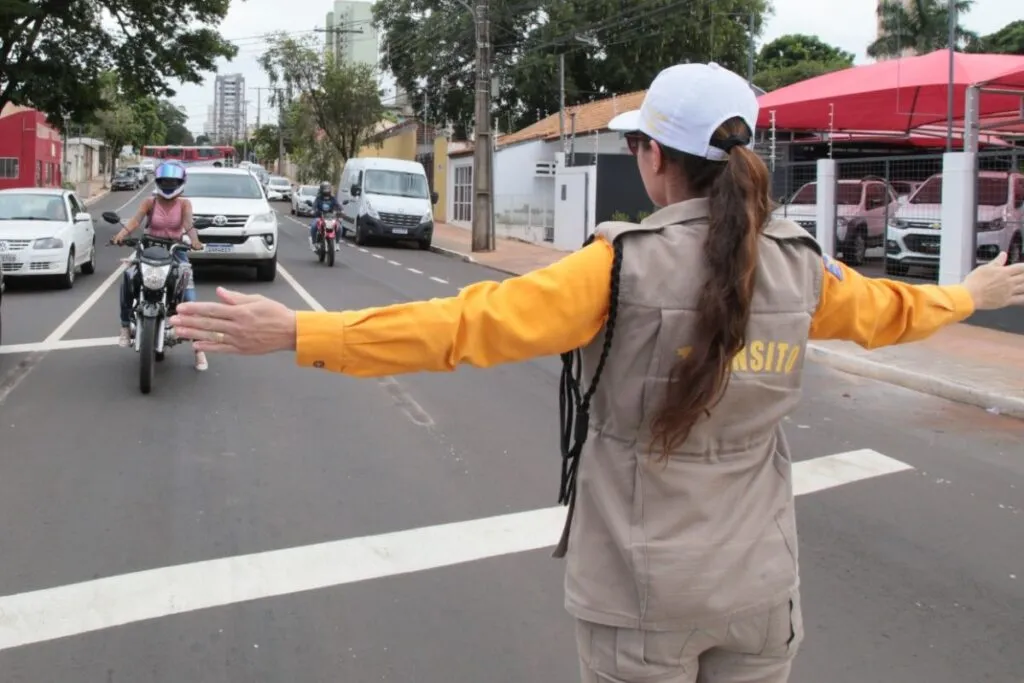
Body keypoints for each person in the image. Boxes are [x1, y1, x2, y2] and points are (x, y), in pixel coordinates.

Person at [169, 62, 1024, 682]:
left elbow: (464, 327)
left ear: (654, 156)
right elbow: (890, 312)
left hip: (641, 601)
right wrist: (968, 292)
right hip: (764, 595)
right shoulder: (803, 267)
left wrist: (303, 334)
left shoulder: (618, 267)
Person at [113, 161, 208, 372]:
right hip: (148, 250)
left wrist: (195, 241)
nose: (168, 185)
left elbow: (189, 225)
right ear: (158, 182)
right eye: (164, 181)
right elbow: (136, 221)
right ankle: (125, 326)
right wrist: (121, 235)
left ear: (180, 183)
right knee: (128, 277)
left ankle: (199, 349)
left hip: (176, 251)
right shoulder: (149, 202)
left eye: (172, 182)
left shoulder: (184, 204)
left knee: (190, 299)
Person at [309, 181, 340, 252]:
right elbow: (314, 205)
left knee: (339, 227)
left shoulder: (332, 198)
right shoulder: (319, 198)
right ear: (321, 189)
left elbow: (338, 205)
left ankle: (337, 243)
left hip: (330, 217)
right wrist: (313, 210)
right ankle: (314, 243)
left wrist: (341, 210)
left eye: (327, 188)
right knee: (313, 226)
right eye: (324, 188)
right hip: (319, 217)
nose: (326, 190)